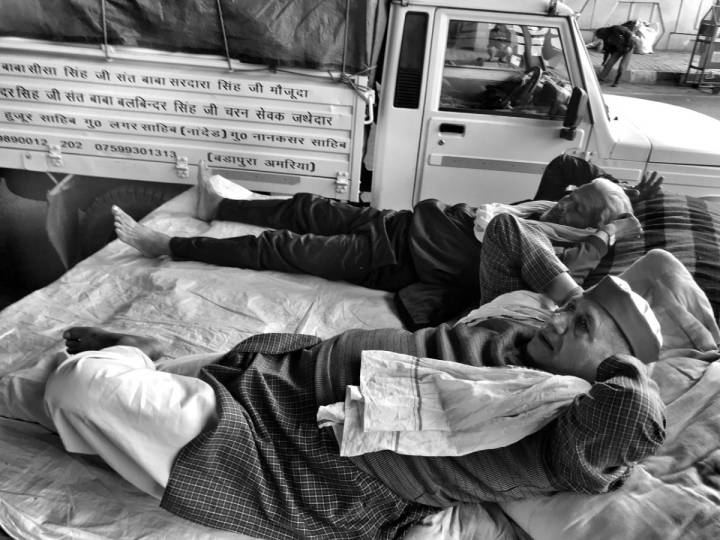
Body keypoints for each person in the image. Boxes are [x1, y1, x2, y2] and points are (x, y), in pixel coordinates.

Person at [46, 252, 667, 539]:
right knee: (74, 392)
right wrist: (575, 299)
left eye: (579, 327)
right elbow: (505, 237)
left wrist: (621, 362)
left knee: (80, 387)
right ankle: (146, 354)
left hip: (296, 457)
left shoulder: (564, 426)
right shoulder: (519, 326)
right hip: (282, 365)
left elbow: (634, 416)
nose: (557, 319)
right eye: (570, 308)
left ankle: (131, 358)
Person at [112, 154, 661, 329]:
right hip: (404, 221)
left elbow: (577, 286)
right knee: (309, 208)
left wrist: (612, 231)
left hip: (396, 257)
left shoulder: (560, 251)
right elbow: (572, 168)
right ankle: (221, 206)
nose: (562, 203)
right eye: (570, 196)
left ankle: (168, 246)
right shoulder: (546, 210)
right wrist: (625, 194)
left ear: (592, 229)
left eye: (576, 208)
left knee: (281, 247)